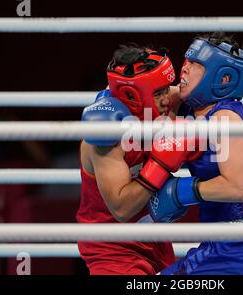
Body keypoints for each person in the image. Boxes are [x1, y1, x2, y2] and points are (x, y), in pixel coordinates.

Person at [150, 32, 243, 275]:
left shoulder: (226, 117)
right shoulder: (191, 104)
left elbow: (236, 188)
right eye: (186, 61)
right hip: (231, 246)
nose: (185, 69)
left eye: (195, 64)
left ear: (223, 77)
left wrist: (181, 192)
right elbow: (144, 92)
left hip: (240, 248)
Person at [77, 44, 201, 275]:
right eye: (158, 93)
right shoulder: (105, 138)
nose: (167, 98)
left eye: (166, 89)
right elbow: (121, 209)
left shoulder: (162, 103)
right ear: (132, 96)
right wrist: (161, 164)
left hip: (154, 239)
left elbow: (197, 91)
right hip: (112, 249)